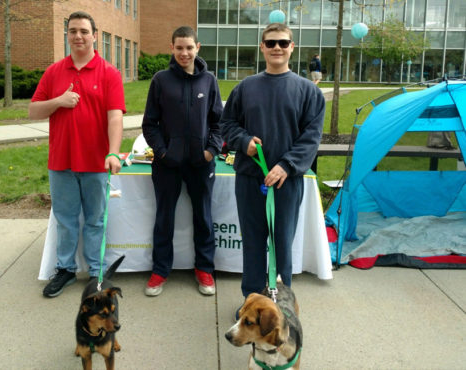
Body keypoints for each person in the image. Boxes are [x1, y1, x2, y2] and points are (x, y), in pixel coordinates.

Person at [220, 23, 325, 310]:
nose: (276, 47)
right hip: (250, 178)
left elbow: (311, 136)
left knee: (282, 246)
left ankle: (281, 306)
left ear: (292, 47)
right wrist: (243, 142)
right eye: (270, 43)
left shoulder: (308, 92)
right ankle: (252, 305)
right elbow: (227, 124)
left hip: (286, 182)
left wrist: (287, 166)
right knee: (253, 244)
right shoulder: (245, 88)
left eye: (282, 42)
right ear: (262, 47)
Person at [29, 11, 125, 298]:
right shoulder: (54, 72)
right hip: (61, 162)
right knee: (66, 219)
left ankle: (96, 274)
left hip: (96, 162)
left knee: (96, 220)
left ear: (95, 35)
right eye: (73, 31)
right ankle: (65, 269)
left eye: (84, 31)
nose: (78, 36)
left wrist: (113, 152)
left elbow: (115, 118)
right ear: (67, 35)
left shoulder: (109, 73)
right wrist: (58, 101)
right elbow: (33, 111)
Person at [142, 26, 223, 297]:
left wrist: (211, 150)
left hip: (201, 163)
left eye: (189, 47)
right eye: (179, 48)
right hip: (167, 164)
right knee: (164, 217)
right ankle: (160, 270)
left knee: (203, 216)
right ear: (172, 48)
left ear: (197, 47)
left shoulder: (209, 81)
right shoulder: (160, 80)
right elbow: (149, 124)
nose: (184, 53)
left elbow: (218, 122)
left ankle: (204, 269)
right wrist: (163, 152)